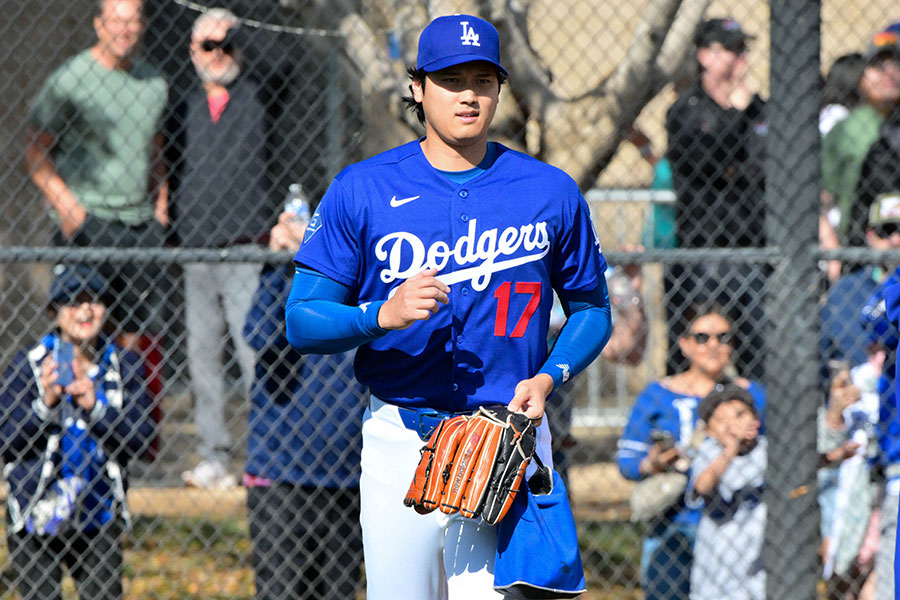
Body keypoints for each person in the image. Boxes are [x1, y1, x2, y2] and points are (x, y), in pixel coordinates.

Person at [284, 14, 612, 599]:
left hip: (506, 437)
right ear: (418, 87)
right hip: (400, 438)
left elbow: (592, 308)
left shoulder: (549, 190)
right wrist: (378, 315)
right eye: (450, 78)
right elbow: (302, 318)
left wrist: (551, 376)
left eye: (483, 80)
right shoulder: (363, 188)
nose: (468, 94)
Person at [0, 265, 156, 600]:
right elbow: (5, 439)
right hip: (36, 512)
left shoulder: (124, 365)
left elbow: (144, 438)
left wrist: (95, 407)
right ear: (54, 313)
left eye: (95, 301)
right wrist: (45, 402)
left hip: (96, 512)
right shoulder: (29, 364)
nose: (85, 310)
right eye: (73, 301)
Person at [168, 7, 274, 489]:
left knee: (253, 350)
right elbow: (168, 162)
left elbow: (283, 62)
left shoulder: (258, 94)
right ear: (192, 52)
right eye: (207, 46)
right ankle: (214, 455)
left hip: (244, 243)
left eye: (226, 45)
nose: (218, 55)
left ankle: (265, 455)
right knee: (203, 353)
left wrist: (233, 29)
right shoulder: (182, 104)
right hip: (195, 245)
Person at [25, 0, 169, 351]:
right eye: (116, 20)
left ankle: (128, 401)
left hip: (139, 226)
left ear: (143, 26)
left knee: (135, 335)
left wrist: (161, 206)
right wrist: (67, 205)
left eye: (133, 21)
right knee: (81, 329)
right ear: (99, 25)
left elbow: (156, 151)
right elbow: (35, 146)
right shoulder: (70, 79)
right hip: (88, 222)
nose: (125, 29)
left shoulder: (154, 84)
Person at [243, 211, 367, 599]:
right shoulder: (293, 280)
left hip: (349, 479)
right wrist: (281, 265)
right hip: (280, 476)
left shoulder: (372, 285)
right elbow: (259, 335)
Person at [616, 302, 765, 600]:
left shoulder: (752, 395)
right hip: (674, 524)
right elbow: (627, 462)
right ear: (684, 344)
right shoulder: (658, 394)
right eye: (701, 337)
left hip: (736, 529)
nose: (713, 345)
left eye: (723, 337)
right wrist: (654, 463)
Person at [664, 17, 768, 380]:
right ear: (705, 55)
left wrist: (741, 115)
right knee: (693, 355)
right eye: (732, 50)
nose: (742, 59)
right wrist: (734, 115)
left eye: (744, 49)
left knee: (758, 353)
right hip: (702, 252)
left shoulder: (760, 109)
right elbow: (707, 163)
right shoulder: (686, 110)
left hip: (754, 248)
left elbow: (765, 168)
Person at [822, 26, 900, 248]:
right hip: (858, 249)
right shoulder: (846, 129)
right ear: (863, 77)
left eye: (896, 64)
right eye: (878, 66)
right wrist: (832, 249)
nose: (889, 73)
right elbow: (824, 195)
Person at [687, 384, 766, 600]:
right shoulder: (710, 452)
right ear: (710, 432)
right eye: (721, 421)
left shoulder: (767, 450)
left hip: (759, 570)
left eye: (740, 415)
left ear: (755, 419)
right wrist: (732, 448)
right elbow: (702, 486)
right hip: (716, 575)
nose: (733, 425)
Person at [858, 195, 900, 600]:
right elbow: (879, 326)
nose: (897, 239)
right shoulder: (884, 288)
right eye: (888, 231)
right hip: (889, 448)